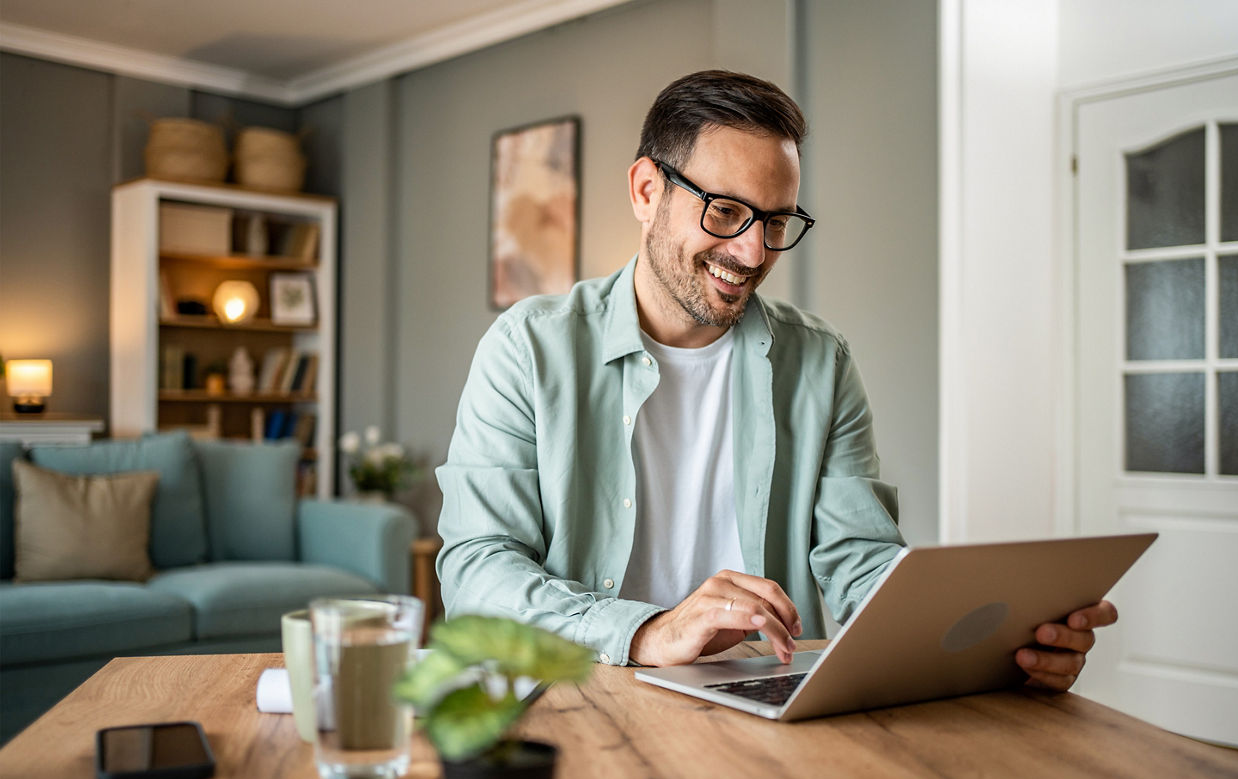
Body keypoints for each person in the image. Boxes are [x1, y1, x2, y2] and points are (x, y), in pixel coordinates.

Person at [437, 70, 1115, 690]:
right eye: (725, 212)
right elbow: (476, 570)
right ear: (647, 191)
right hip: (584, 694)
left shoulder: (820, 361)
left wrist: (991, 646)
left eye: (776, 221)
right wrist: (647, 631)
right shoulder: (530, 347)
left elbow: (860, 561)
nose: (753, 251)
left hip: (763, 704)